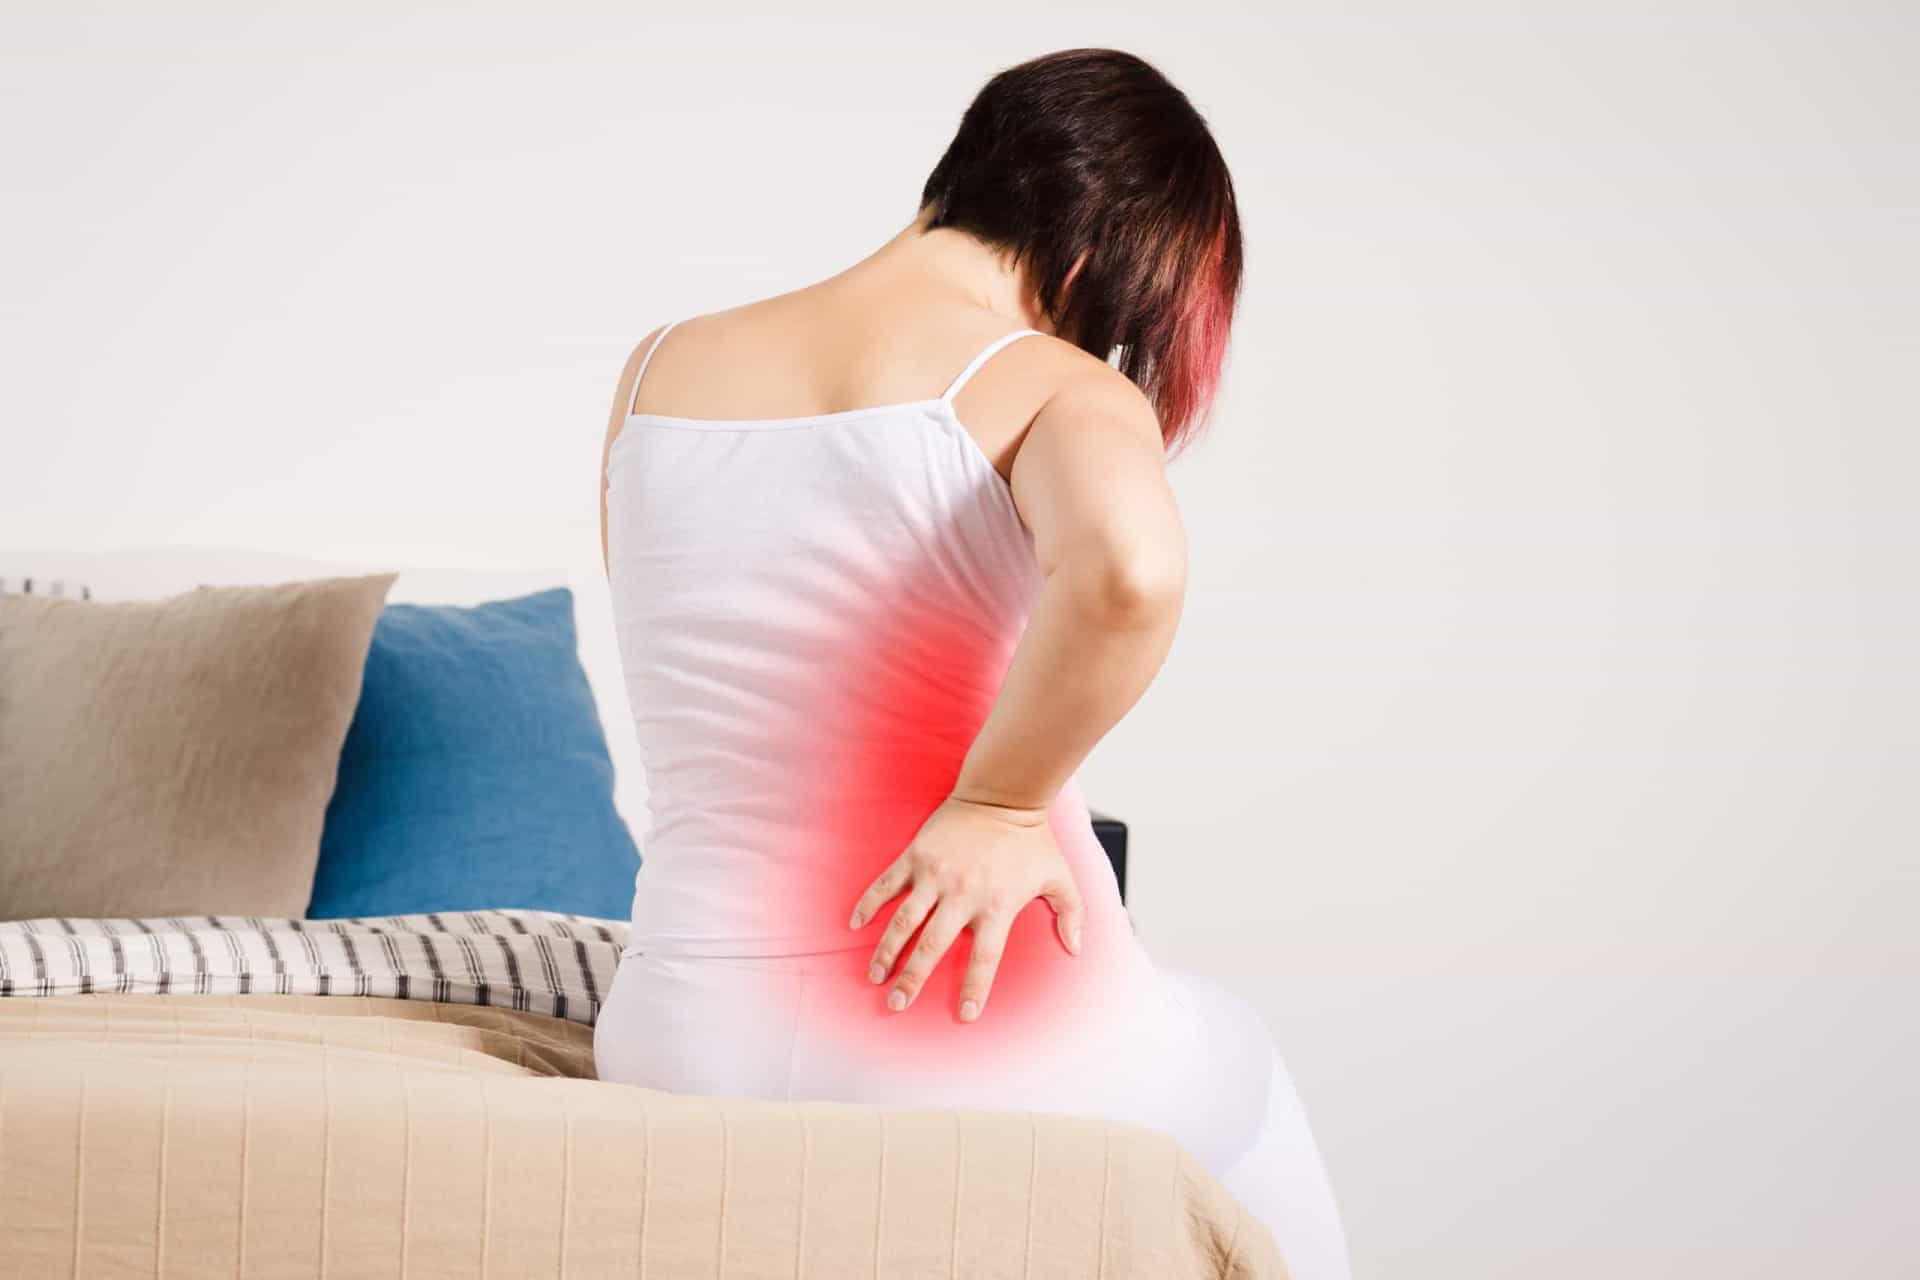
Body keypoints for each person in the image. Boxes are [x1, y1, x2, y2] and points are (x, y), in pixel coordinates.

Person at [593, 47, 1351, 1280]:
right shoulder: (1048, 384)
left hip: (680, 1033)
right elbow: (1131, 571)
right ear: (1098, 259)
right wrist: (997, 804)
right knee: (1246, 1065)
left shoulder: (654, 371)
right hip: (973, 1036)